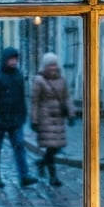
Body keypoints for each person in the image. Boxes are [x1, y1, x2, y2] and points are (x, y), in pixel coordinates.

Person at [0, 46, 37, 187]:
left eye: (15, 59)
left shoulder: (18, 76)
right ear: (5, 60)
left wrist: (23, 114)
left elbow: (20, 98)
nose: (13, 62)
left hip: (15, 120)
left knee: (19, 145)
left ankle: (24, 175)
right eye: (11, 59)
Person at [29, 52, 74, 187]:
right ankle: (53, 177)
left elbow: (66, 97)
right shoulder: (39, 80)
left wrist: (71, 113)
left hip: (59, 118)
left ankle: (41, 163)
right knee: (51, 146)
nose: (53, 67)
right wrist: (34, 120)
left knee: (56, 147)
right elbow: (35, 101)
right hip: (45, 119)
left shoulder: (62, 79)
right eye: (50, 65)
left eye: (54, 64)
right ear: (45, 66)